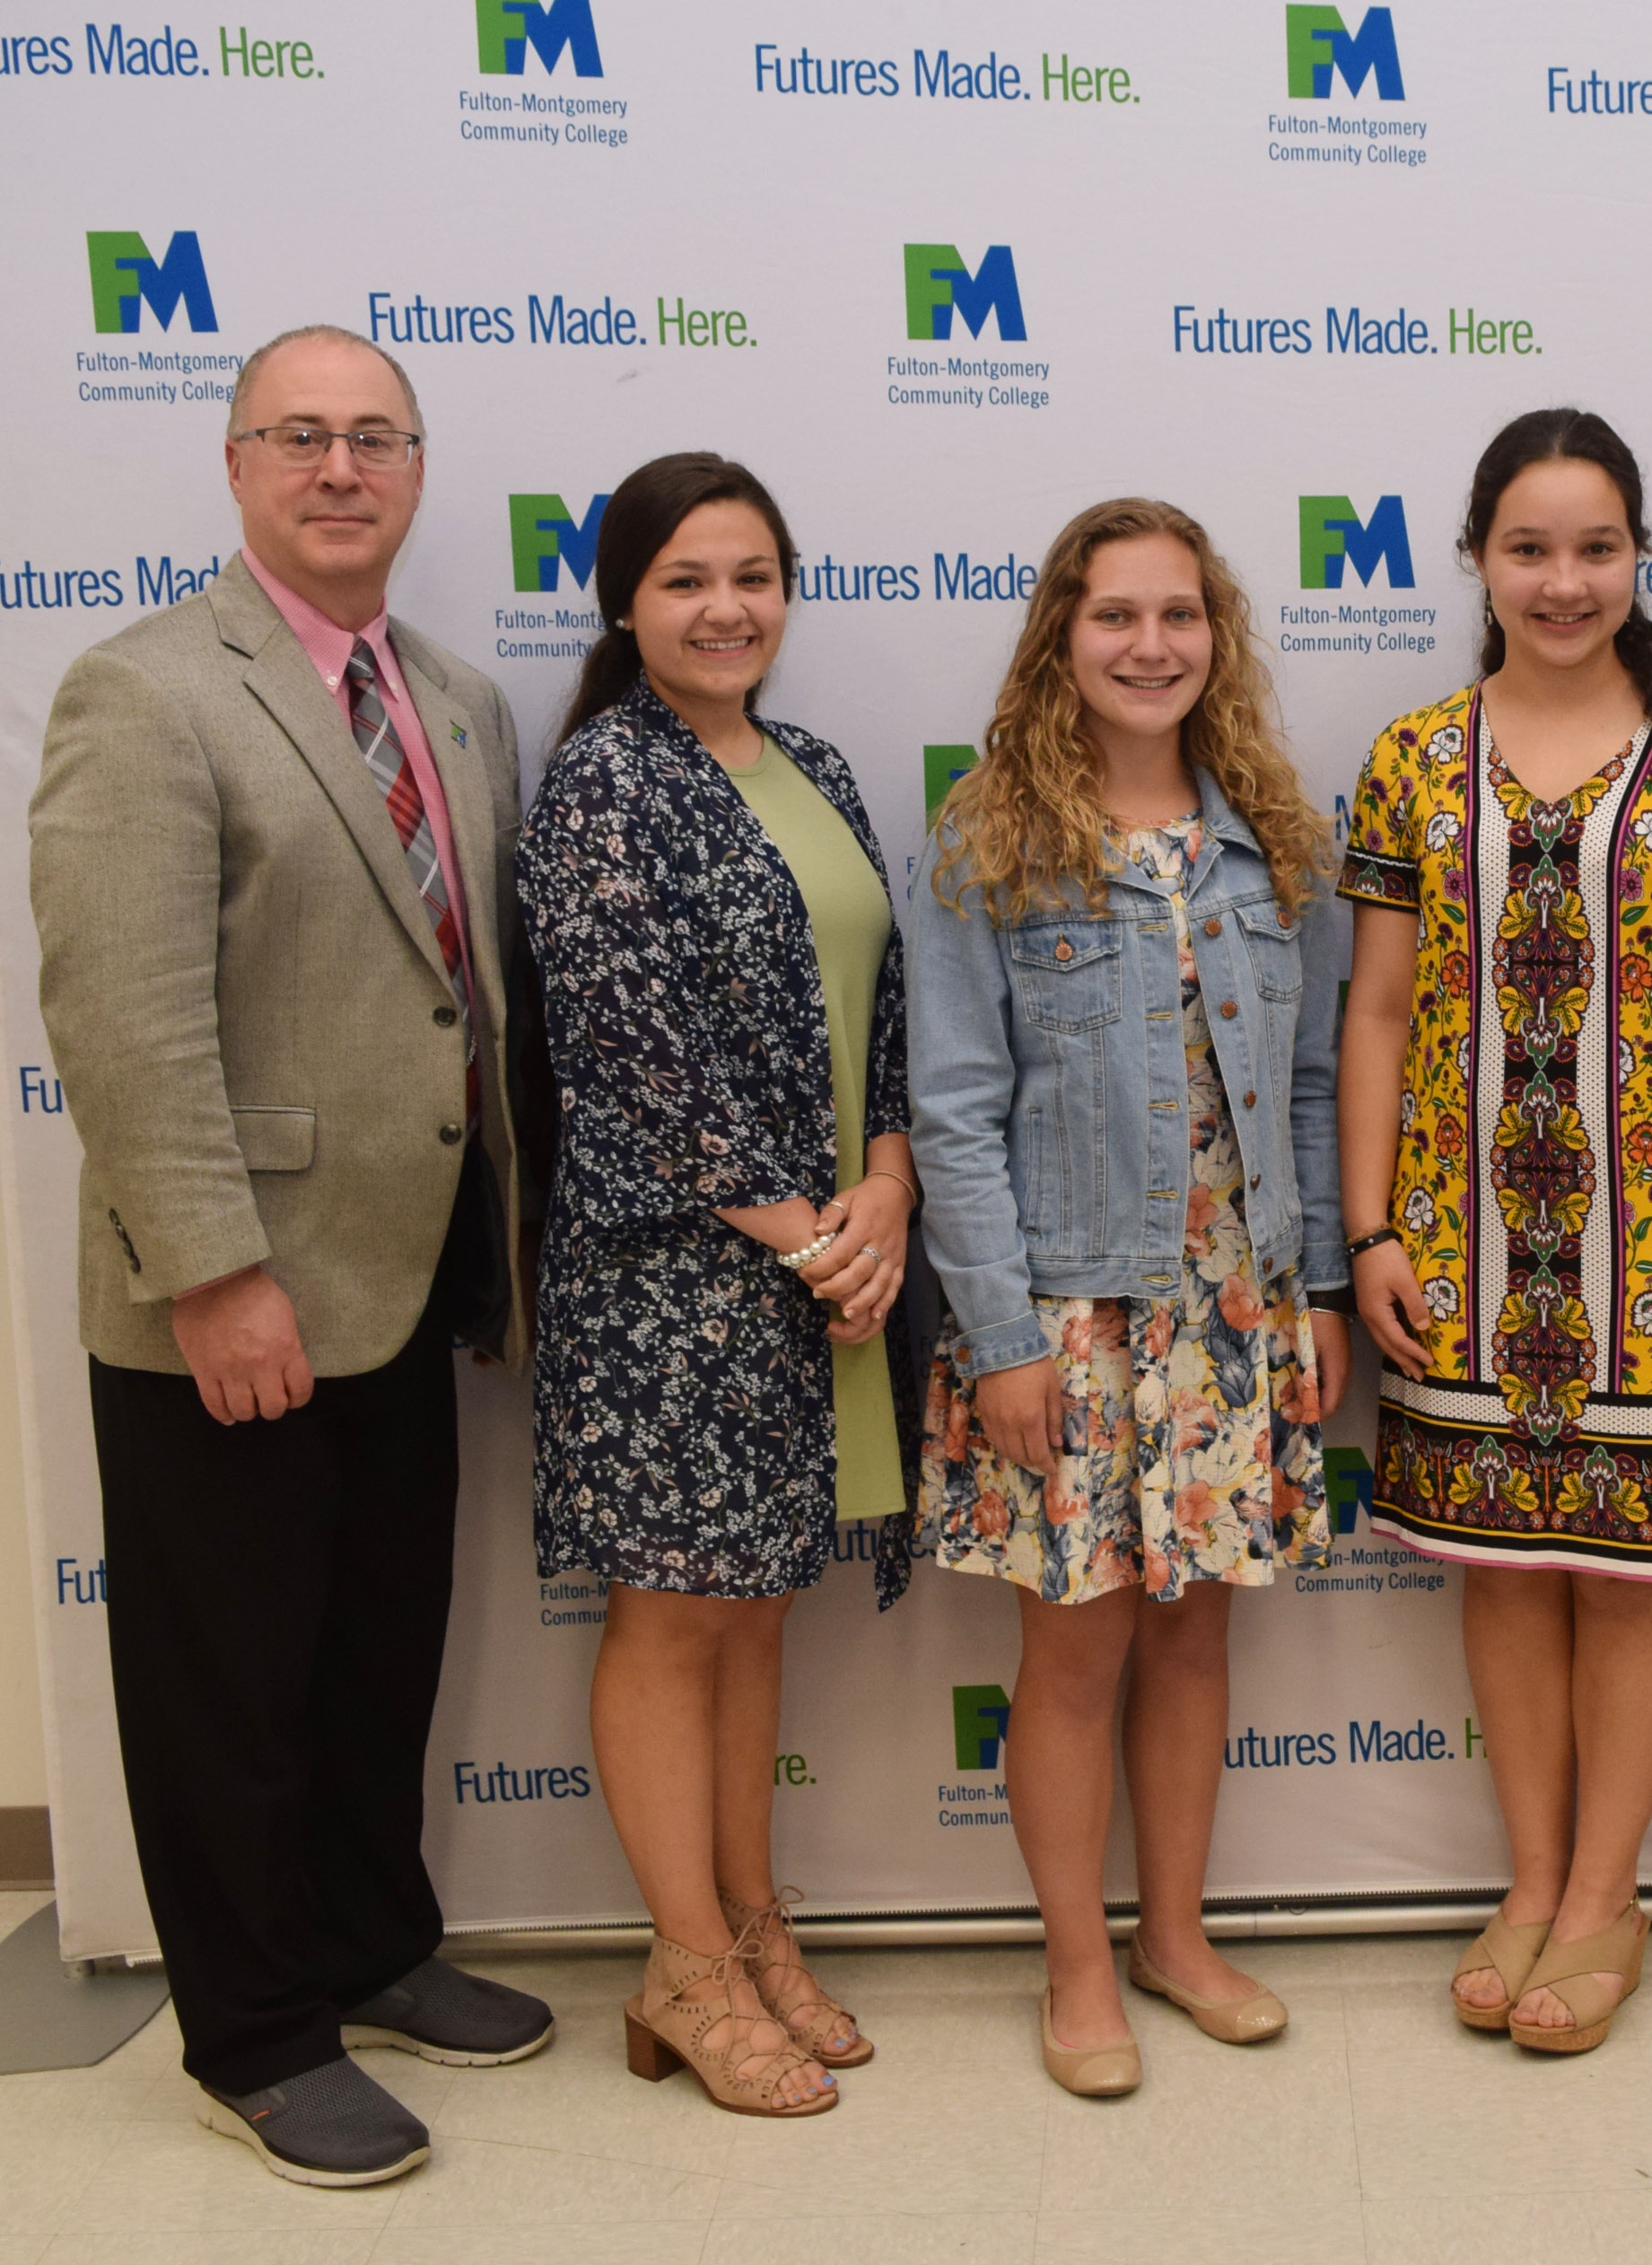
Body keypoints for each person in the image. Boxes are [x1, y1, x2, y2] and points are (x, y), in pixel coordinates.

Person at [28, 324, 550, 2186]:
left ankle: (368, 1939)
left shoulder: (459, 696)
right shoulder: (145, 688)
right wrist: (212, 1266)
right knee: (227, 1675)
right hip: (231, 1291)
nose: (343, 467)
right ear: (237, 462)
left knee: (372, 1649)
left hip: (410, 1275)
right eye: (302, 435)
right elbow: (122, 1009)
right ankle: (254, 2025)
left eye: (377, 438)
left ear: (418, 471)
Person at [1340, 408, 1652, 2055]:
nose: (1563, 579)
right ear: (1477, 559)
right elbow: (1379, 1014)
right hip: (1463, 1240)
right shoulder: (1410, 753)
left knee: (1628, 1569)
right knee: (1504, 1566)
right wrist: (1373, 1229)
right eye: (1528, 548)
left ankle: (1608, 1898)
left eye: (1596, 546)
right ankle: (1527, 1884)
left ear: (1638, 554)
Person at [908, 499, 1350, 2100]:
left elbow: (1305, 1092)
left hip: (1237, 1314)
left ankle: (1176, 1936)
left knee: (1195, 1645)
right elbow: (953, 1109)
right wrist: (1006, 1338)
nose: (1149, 646)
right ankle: (1077, 1966)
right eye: (1115, 617)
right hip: (1072, 1316)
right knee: (1076, 1658)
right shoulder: (984, 843)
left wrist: (1311, 1298)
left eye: (1180, 616)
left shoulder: (1274, 844)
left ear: (1215, 639)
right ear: (1061, 638)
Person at [520, 452, 916, 2120]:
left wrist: (888, 1183)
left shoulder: (814, 763)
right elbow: (626, 1055)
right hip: (671, 1279)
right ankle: (681, 1964)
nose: (724, 608)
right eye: (687, 578)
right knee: (673, 1613)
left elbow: (886, 1007)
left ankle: (755, 1929)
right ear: (626, 599)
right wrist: (815, 1230)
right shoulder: (602, 784)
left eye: (753, 575)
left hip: (822, 1268)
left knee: (756, 1606)